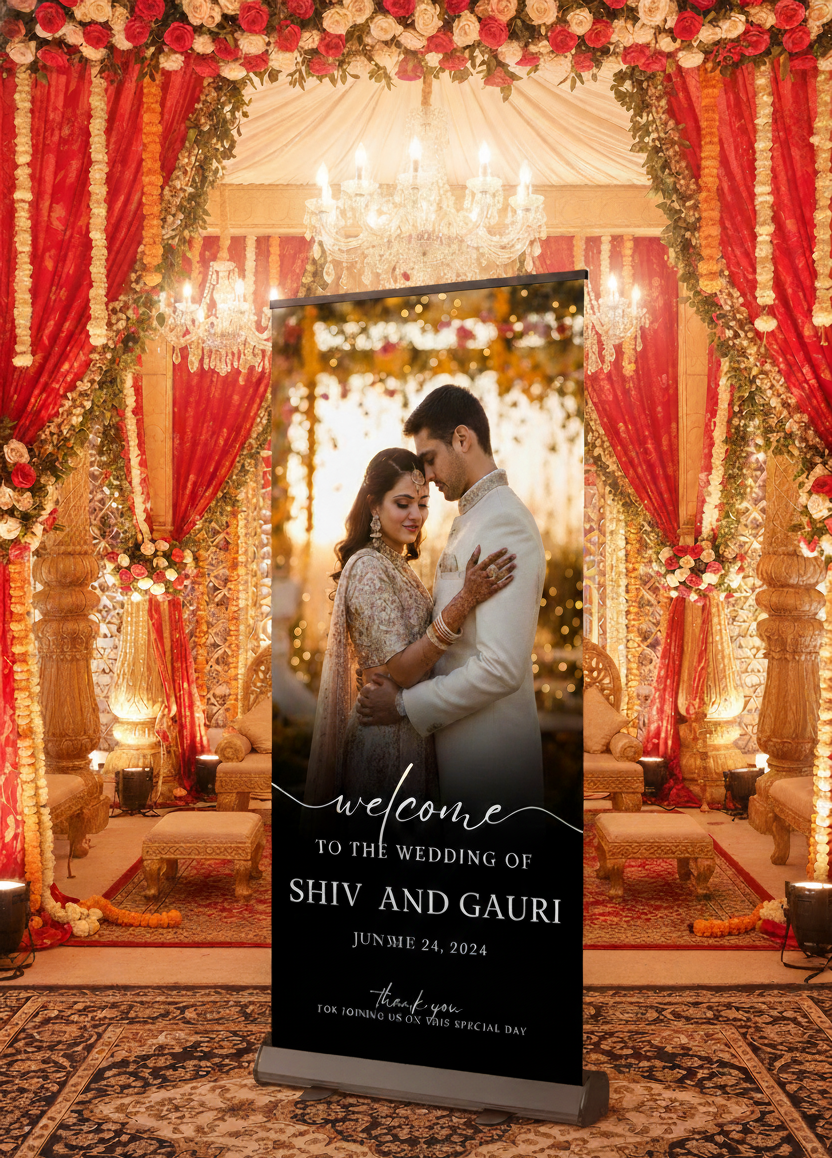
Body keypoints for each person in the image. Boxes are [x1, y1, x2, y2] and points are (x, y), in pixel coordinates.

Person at [357, 386, 547, 811]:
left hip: (489, 764)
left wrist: (405, 704)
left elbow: (500, 668)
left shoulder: (504, 524)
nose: (426, 475)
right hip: (461, 753)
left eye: (429, 458)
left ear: (463, 439)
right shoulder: (475, 517)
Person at [304, 446, 515, 806]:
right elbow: (400, 669)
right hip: (383, 747)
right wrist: (465, 600)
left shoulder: (397, 565)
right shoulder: (369, 567)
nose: (416, 515)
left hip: (410, 730)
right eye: (403, 504)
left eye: (422, 503)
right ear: (374, 505)